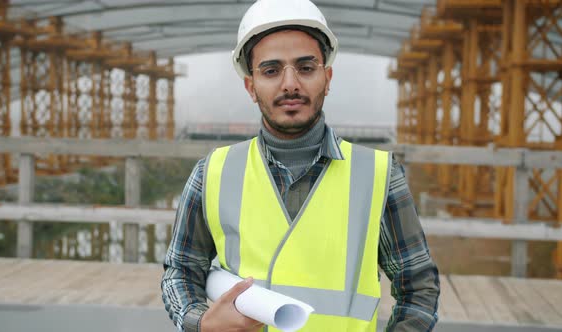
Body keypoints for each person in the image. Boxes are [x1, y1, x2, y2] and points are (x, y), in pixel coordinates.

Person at [161, 0, 440, 331]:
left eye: (306, 68)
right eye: (271, 70)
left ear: (327, 77)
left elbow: (418, 286)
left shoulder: (379, 175)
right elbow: (180, 270)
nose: (290, 84)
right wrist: (200, 322)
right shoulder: (213, 173)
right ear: (251, 86)